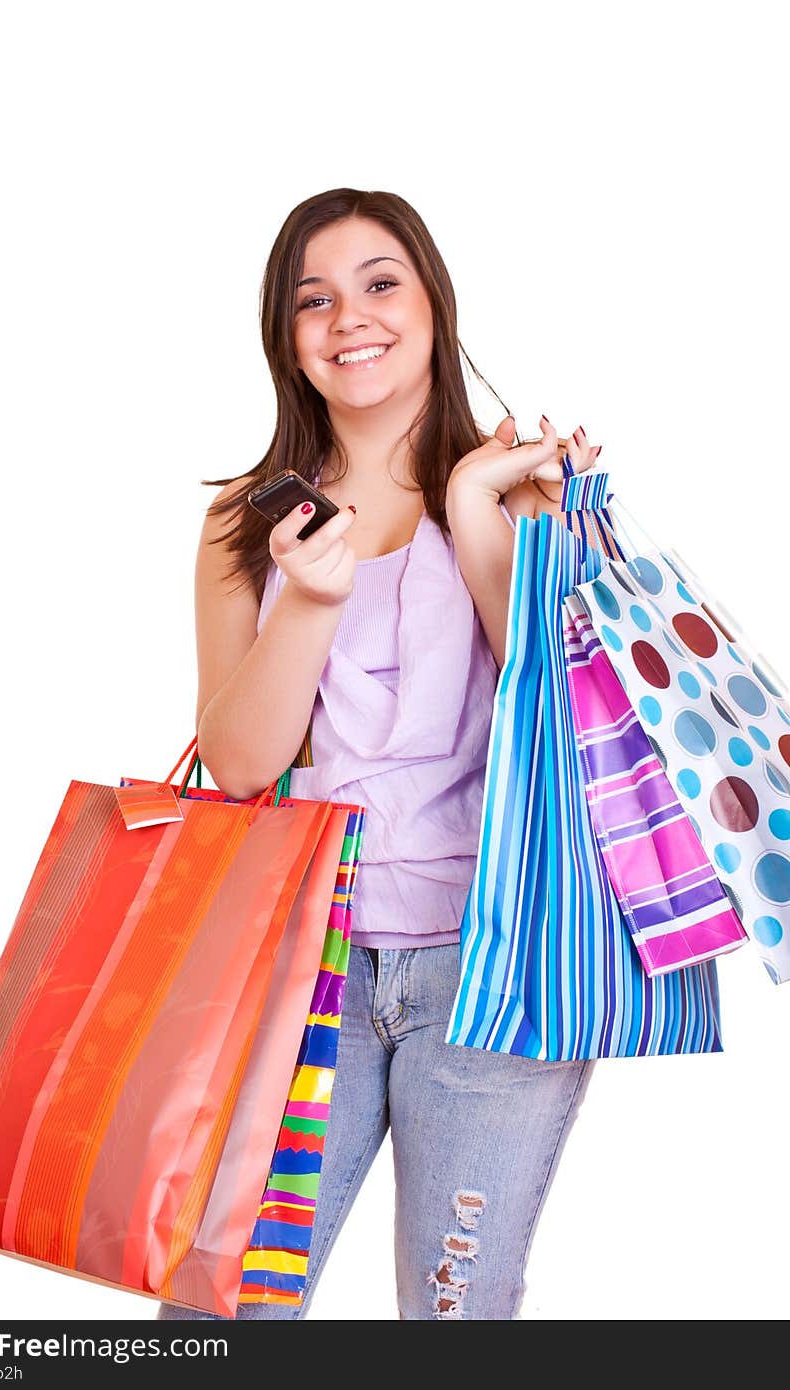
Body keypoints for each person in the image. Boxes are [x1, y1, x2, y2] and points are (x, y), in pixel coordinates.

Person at [158, 187, 602, 1322]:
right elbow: (244, 762)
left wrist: (474, 504)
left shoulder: (525, 486)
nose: (347, 317)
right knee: (222, 1309)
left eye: (378, 282)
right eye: (312, 298)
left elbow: (561, 720)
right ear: (286, 337)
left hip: (495, 968)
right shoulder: (238, 527)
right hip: (305, 966)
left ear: (433, 304)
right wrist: (307, 597)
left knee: (453, 1313)